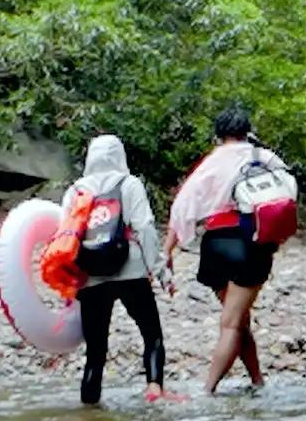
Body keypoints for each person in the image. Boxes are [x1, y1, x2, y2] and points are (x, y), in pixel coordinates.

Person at [168, 106, 288, 397]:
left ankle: (257, 381)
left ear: (219, 135)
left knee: (238, 318)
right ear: (247, 130)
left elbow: (183, 206)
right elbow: (286, 199)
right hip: (251, 243)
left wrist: (168, 251)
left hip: (215, 244)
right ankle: (207, 391)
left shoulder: (210, 162)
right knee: (232, 322)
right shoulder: (266, 158)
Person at [63, 134, 169, 405]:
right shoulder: (129, 184)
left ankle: (88, 416)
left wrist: (69, 282)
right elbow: (144, 228)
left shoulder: (75, 191)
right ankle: (155, 391)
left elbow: (66, 237)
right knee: (151, 335)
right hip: (130, 269)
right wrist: (159, 270)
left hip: (91, 274)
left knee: (95, 353)